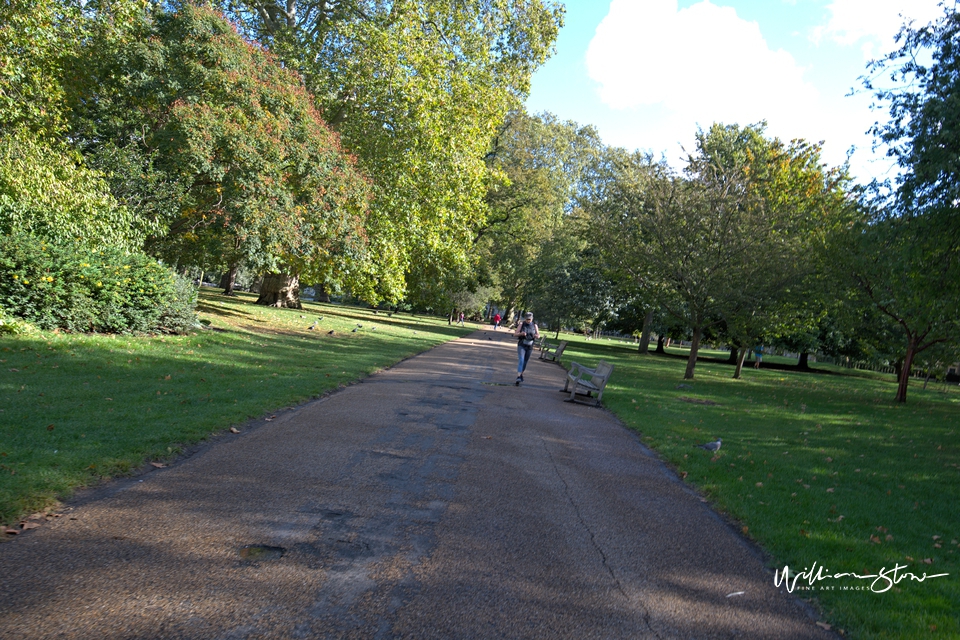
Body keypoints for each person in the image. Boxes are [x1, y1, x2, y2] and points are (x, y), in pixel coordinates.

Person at [513, 311, 540, 385]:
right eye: (527, 319)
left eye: (530, 319)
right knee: (521, 360)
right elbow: (515, 334)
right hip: (522, 344)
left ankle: (521, 374)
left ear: (532, 318)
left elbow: (538, 334)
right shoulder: (522, 324)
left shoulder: (535, 325)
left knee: (525, 362)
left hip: (530, 345)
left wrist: (537, 336)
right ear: (525, 319)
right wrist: (521, 334)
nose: (528, 321)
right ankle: (518, 376)